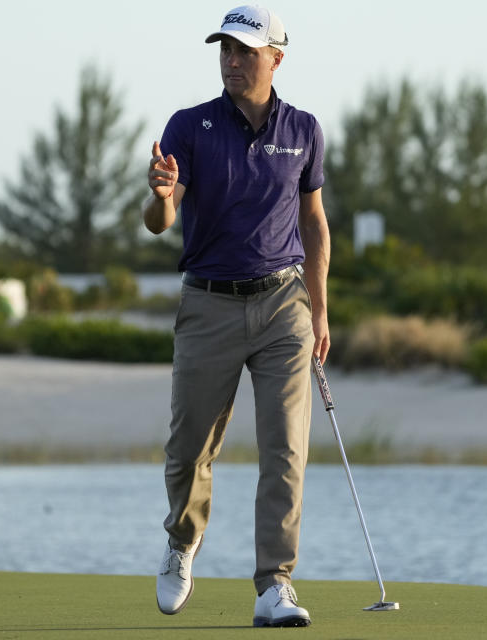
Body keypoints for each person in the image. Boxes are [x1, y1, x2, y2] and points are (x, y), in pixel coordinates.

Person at [142, 4, 331, 629]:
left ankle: (274, 583)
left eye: (244, 50)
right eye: (224, 48)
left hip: (285, 306)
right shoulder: (189, 126)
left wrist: (321, 311)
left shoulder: (303, 129)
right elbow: (160, 223)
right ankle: (182, 539)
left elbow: (313, 222)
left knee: (286, 449)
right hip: (208, 302)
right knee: (189, 447)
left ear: (276, 56)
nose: (231, 59)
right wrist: (163, 195)